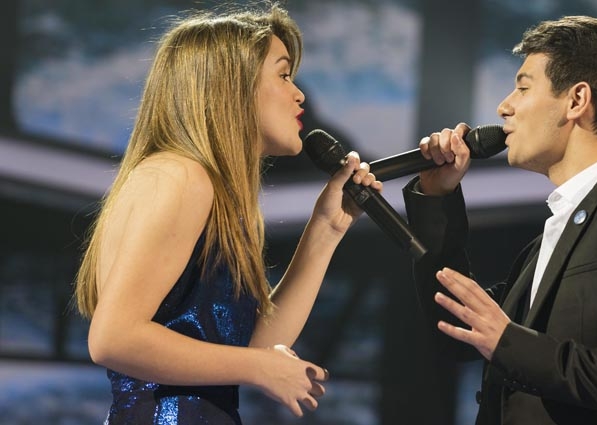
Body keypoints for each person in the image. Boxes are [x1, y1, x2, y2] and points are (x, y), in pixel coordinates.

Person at [72, 4, 381, 424]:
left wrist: (327, 227)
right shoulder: (181, 177)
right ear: (231, 85)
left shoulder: (200, 185)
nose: (299, 94)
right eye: (284, 74)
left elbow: (254, 346)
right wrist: (261, 369)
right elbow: (113, 339)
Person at [402, 15, 597, 425]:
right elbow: (462, 327)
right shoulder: (559, 229)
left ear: (576, 100)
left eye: (522, 86)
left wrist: (513, 345)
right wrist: (437, 197)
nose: (504, 107)